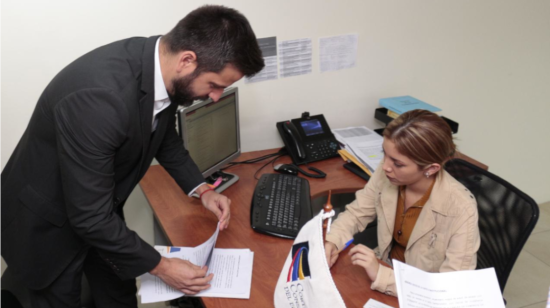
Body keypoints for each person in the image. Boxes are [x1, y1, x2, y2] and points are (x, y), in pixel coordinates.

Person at [1, 5, 264, 308]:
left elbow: (164, 137)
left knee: (120, 296)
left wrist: (202, 189)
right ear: (187, 60)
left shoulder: (158, 65)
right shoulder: (99, 99)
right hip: (47, 225)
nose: (216, 96)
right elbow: (89, 217)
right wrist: (163, 267)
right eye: (215, 85)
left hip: (97, 209)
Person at [324, 109, 480, 297]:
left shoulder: (460, 208)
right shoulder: (387, 175)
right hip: (383, 267)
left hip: (421, 294)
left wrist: (382, 275)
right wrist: (333, 241)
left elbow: (452, 287)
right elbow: (356, 214)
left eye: (398, 164)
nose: (386, 167)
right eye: (385, 154)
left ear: (430, 168)